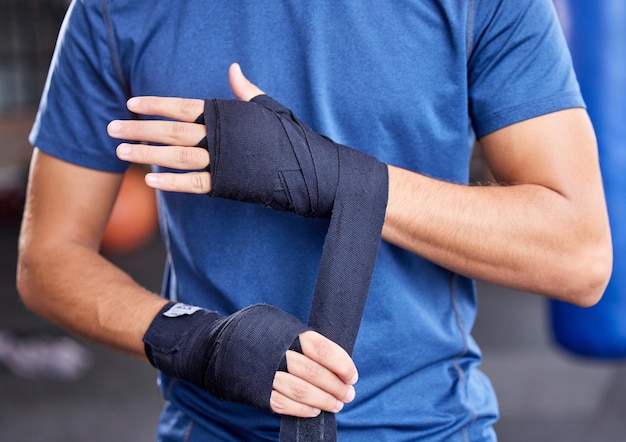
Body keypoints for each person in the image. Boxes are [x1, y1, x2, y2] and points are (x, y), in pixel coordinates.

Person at [17, 1, 612, 441]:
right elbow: (48, 259)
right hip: (208, 428)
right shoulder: (116, 9)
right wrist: (201, 343)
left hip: (426, 428)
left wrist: (342, 180)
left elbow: (579, 254)